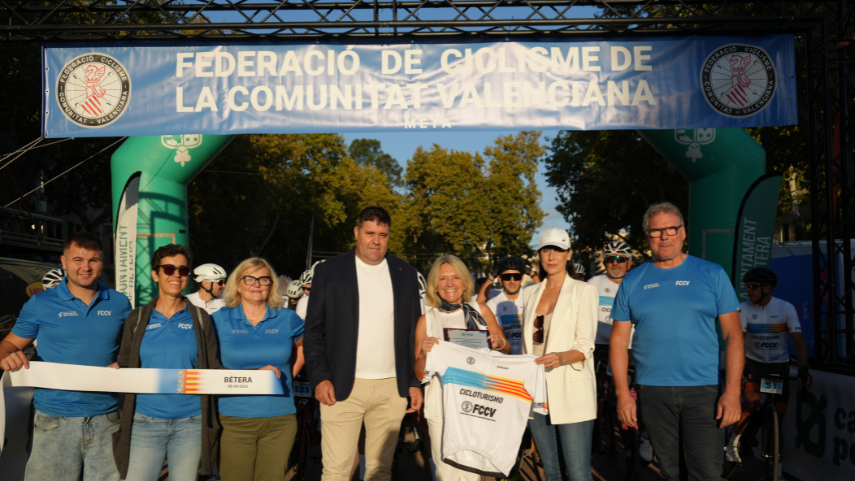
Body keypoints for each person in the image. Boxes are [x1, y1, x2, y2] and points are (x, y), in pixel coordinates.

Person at [610, 202, 743, 481]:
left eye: (671, 228)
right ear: (647, 237)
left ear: (683, 232)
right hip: (652, 392)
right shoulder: (632, 281)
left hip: (703, 390)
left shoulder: (712, 273)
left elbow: (733, 335)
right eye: (656, 231)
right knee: (671, 473)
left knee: (706, 474)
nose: (664, 236)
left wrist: (732, 393)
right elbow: (619, 341)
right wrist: (623, 395)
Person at [304, 206, 424, 481]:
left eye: (383, 234)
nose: (376, 240)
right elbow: (313, 331)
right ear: (357, 233)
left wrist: (413, 382)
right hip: (341, 386)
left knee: (381, 472)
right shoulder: (329, 271)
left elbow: (412, 336)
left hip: (391, 389)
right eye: (370, 233)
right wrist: (320, 377)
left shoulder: (405, 273)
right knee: (336, 472)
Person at [0, 232, 131, 481]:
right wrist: (7, 356)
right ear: (64, 262)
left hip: (107, 418)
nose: (86, 267)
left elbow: (131, 350)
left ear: (103, 262)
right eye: (78, 259)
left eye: (93, 260)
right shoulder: (40, 303)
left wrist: (127, 363)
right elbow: (7, 345)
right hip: (54, 419)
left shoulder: (119, 302)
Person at [111, 244, 223, 481]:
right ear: (155, 274)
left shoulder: (201, 319)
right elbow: (125, 363)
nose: (177, 275)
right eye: (169, 269)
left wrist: (257, 374)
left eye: (183, 270)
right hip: (144, 421)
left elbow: (214, 368)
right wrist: (116, 369)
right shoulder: (138, 317)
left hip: (191, 423)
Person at [414, 255, 509, 481]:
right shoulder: (426, 320)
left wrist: (499, 343)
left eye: (456, 277)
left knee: (471, 474)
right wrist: (423, 354)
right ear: (435, 286)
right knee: (445, 474)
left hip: (476, 404)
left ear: (465, 282)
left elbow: (506, 352)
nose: (450, 284)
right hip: (441, 406)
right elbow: (419, 374)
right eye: (443, 278)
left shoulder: (481, 311)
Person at [212, 257, 305, 481]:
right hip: (234, 418)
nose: (256, 284)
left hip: (280, 419)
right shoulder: (218, 320)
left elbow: (303, 347)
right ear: (238, 284)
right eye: (250, 278)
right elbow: (207, 363)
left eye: (263, 279)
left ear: (271, 285)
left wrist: (288, 377)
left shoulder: (287, 319)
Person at [522, 227, 598, 481]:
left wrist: (560, 357)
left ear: (569, 254)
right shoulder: (530, 292)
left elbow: (586, 344)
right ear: (539, 255)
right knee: (551, 470)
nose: (552, 256)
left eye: (558, 250)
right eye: (546, 249)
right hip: (536, 390)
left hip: (570, 388)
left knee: (577, 473)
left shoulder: (583, 291)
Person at [726, 267, 811, 475]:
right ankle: (733, 442)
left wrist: (803, 369)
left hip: (778, 366)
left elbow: (799, 344)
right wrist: (742, 365)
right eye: (747, 287)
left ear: (768, 288)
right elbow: (740, 339)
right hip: (753, 364)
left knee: (777, 421)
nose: (749, 291)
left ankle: (777, 471)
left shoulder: (785, 308)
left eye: (754, 287)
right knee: (752, 402)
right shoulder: (744, 309)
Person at [587, 240, 651, 460]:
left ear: (629, 263)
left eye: (620, 259)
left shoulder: (637, 283)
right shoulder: (595, 282)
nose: (615, 263)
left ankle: (635, 441)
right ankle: (591, 439)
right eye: (610, 259)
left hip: (627, 346)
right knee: (589, 393)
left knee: (625, 394)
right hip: (597, 344)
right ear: (604, 263)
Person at [483, 256, 528, 355]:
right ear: (500, 279)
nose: (512, 281)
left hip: (529, 357)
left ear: (522, 278)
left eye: (516, 277)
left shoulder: (531, 297)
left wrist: (533, 273)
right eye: (507, 277)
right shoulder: (492, 304)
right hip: (505, 358)